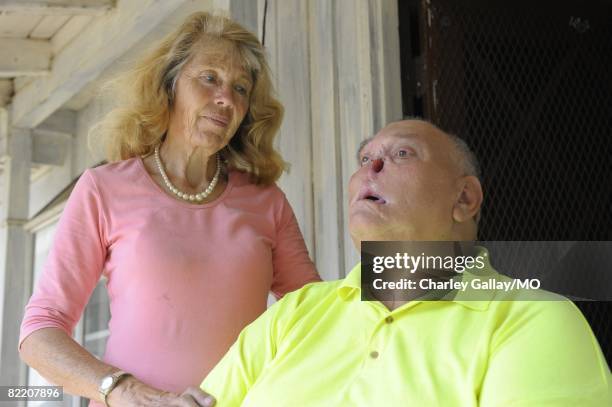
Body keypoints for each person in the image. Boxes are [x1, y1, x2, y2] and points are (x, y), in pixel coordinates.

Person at [19, 12, 320, 407]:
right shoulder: (104, 189)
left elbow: (318, 315)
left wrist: (412, 261)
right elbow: (40, 332)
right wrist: (124, 391)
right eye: (209, 77)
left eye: (241, 88)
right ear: (170, 86)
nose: (226, 98)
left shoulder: (266, 201)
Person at [200, 119, 611, 406]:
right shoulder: (294, 314)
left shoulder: (530, 320)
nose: (371, 168)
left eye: (402, 153)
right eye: (364, 158)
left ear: (464, 199)